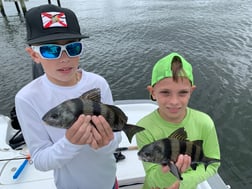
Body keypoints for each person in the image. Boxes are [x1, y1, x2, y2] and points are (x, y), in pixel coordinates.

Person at [15, 4, 121, 189]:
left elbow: (116, 136)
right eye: (50, 50)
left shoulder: (98, 83)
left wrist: (107, 142)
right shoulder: (27, 98)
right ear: (34, 54)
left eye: (72, 48)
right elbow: (39, 159)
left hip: (110, 182)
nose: (64, 58)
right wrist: (71, 143)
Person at [136, 52, 220, 189]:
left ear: (191, 91)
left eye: (182, 93)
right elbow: (151, 177)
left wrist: (183, 182)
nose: (174, 101)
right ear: (152, 92)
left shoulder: (205, 123)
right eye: (165, 92)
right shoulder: (143, 127)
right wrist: (168, 172)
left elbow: (213, 165)